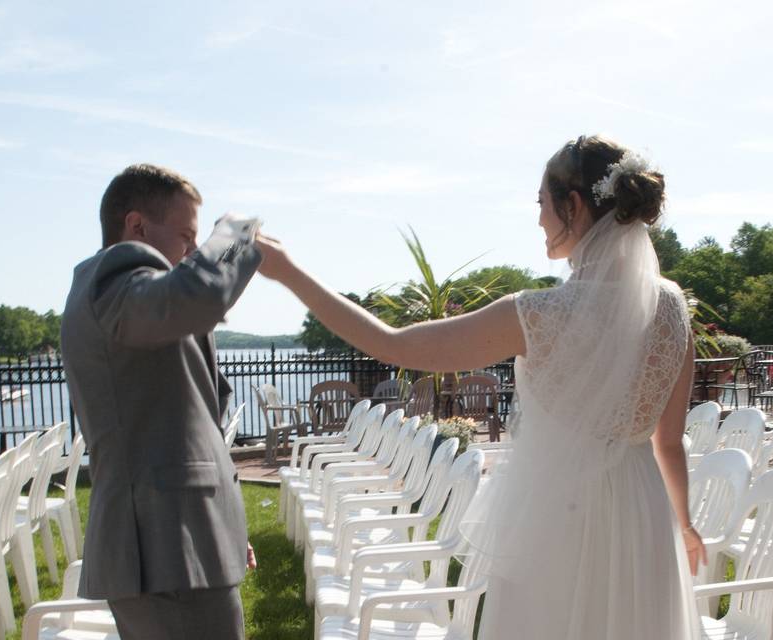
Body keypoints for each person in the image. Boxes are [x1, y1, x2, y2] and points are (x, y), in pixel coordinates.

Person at [255, 135, 705, 639]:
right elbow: (668, 442)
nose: (538, 219)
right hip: (643, 511)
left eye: (541, 203)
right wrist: (683, 525)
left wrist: (290, 274)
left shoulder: (537, 314)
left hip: (560, 518)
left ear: (571, 205)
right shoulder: (671, 308)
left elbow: (392, 344)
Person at [60, 164, 260, 640]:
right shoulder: (115, 276)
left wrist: (225, 528)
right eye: (187, 235)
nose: (193, 251)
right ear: (136, 227)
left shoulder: (136, 304)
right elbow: (197, 294)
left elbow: (189, 421)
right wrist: (235, 236)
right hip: (164, 553)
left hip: (184, 547)